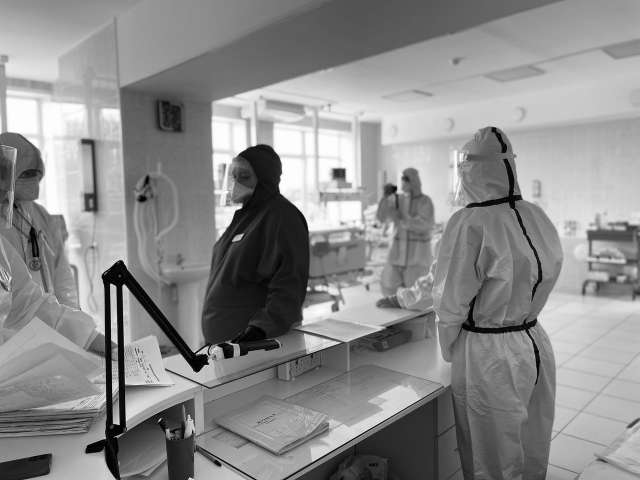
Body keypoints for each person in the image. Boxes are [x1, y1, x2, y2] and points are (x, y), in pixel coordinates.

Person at [432, 126, 563, 479]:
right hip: (534, 342)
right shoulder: (536, 215)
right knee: (532, 440)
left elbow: (450, 301)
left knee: (491, 455)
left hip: (489, 354)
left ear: (470, 170)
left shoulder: (469, 222)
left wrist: (450, 348)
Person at [0, 142, 106, 353]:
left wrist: (100, 343)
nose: (4, 201)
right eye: (27, 173)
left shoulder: (5, 245)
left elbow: (32, 305)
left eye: (4, 195)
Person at [201, 144, 309, 344]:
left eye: (244, 176)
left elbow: (290, 285)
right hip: (225, 343)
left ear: (264, 178)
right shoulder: (244, 217)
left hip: (253, 343)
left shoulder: (282, 217)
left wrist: (261, 329)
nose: (236, 183)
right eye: (234, 176)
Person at [0, 132, 79, 308]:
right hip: (11, 320)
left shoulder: (41, 215)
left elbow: (62, 277)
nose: (34, 179)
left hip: (48, 316)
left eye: (36, 173)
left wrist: (73, 316)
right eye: (27, 173)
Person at [376, 168, 434, 296]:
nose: (403, 183)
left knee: (417, 295)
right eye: (402, 179)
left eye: (406, 180)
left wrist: (402, 219)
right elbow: (381, 217)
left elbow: (424, 225)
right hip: (396, 255)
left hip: (417, 258)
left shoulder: (425, 201)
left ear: (414, 181)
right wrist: (385, 197)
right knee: (387, 287)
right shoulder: (398, 199)